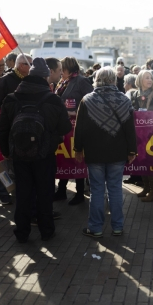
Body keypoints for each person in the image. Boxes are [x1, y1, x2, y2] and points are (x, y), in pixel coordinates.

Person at [0, 58, 72, 243]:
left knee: (23, 193)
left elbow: (2, 129)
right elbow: (65, 128)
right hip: (45, 154)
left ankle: (22, 232)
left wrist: (6, 151)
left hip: (19, 154)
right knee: (45, 193)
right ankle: (46, 231)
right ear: (46, 77)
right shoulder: (53, 100)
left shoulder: (11, 98)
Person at [74, 67, 137, 238]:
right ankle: (117, 227)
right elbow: (130, 129)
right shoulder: (124, 100)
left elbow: (79, 128)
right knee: (115, 189)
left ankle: (95, 228)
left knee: (96, 190)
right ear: (113, 80)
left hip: (94, 153)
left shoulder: (87, 100)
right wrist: (132, 150)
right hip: (117, 152)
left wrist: (78, 149)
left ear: (97, 79)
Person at [0, 53, 32, 204]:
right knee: (6, 163)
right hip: (9, 129)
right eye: (29, 64)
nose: (31, 67)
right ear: (21, 65)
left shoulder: (30, 80)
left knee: (19, 165)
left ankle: (17, 193)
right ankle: (3, 192)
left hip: (25, 129)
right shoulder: (6, 80)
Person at [53, 57, 93, 205]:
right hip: (64, 127)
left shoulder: (81, 81)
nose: (60, 72)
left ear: (67, 69)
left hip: (77, 126)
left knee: (77, 160)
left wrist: (74, 113)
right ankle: (61, 190)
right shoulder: (64, 82)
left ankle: (79, 193)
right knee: (64, 160)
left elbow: (91, 103)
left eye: (61, 69)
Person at [131, 70, 153, 202]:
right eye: (147, 78)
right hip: (139, 132)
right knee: (142, 160)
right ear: (140, 80)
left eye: (151, 78)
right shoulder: (135, 94)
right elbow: (133, 110)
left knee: (151, 161)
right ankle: (146, 188)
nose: (150, 80)